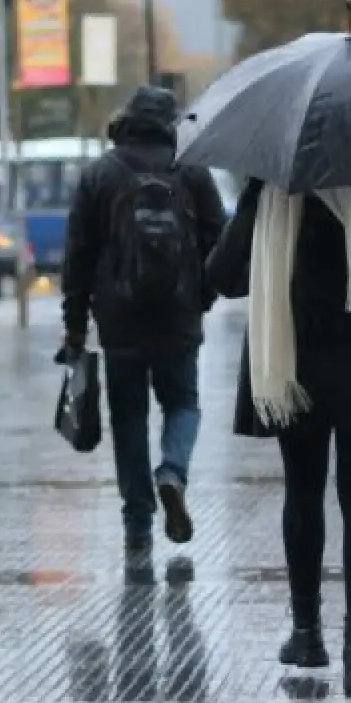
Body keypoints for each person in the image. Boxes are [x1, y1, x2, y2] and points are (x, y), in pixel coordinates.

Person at [206, 176, 351, 699]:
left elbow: (223, 274)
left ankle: (307, 633)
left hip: (294, 356)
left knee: (303, 491)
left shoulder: (274, 181)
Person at [60, 85, 228, 552]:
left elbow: (78, 255)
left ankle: (137, 521)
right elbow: (220, 240)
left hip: (120, 320)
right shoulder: (191, 171)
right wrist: (202, 296)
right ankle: (172, 471)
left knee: (128, 417)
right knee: (183, 404)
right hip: (178, 316)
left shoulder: (101, 174)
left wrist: (75, 322)